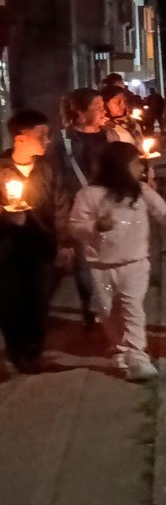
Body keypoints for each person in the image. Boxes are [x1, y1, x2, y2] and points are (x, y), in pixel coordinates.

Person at [68, 142, 166, 381]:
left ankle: (138, 356)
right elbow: (74, 226)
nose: (140, 167)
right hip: (100, 267)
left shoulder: (141, 191)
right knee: (108, 311)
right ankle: (119, 350)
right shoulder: (88, 195)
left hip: (134, 264)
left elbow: (164, 213)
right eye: (135, 163)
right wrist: (95, 226)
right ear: (119, 166)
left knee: (132, 308)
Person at [0, 110, 58, 373]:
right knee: (10, 301)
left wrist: (66, 241)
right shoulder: (2, 170)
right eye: (41, 136)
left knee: (39, 301)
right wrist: (5, 217)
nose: (47, 141)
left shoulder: (46, 170)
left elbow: (61, 205)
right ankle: (15, 352)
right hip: (7, 250)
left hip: (41, 246)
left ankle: (33, 352)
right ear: (20, 139)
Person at [50, 88, 110, 326]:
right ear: (80, 112)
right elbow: (57, 182)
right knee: (86, 263)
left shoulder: (111, 136)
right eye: (97, 106)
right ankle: (91, 307)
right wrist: (62, 225)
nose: (103, 110)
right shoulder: (63, 142)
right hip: (80, 209)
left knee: (114, 259)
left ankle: (109, 304)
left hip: (110, 206)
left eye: (102, 105)